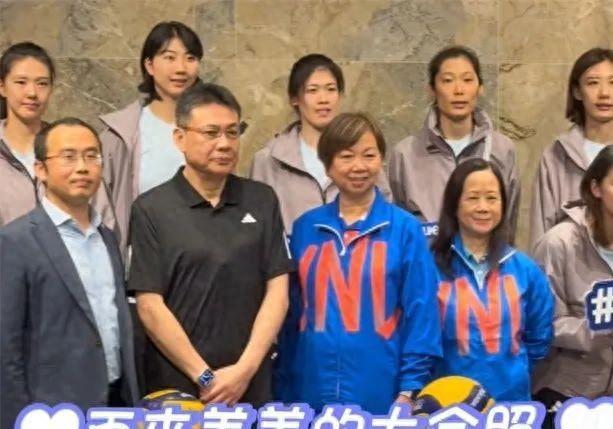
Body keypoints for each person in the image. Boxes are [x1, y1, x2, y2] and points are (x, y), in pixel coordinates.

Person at [128, 83, 293, 406]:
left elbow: (277, 291)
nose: (224, 144)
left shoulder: (261, 200)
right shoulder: (151, 208)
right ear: (180, 138)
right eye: (211, 133)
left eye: (233, 132)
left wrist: (245, 370)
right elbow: (149, 305)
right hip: (179, 385)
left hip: (250, 381)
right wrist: (206, 377)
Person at [276, 112, 441, 414]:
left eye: (369, 155)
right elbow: (291, 315)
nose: (359, 166)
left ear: (381, 160)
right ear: (328, 165)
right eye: (346, 156)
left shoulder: (405, 229)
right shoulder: (305, 229)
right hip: (310, 390)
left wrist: (410, 388)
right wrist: (285, 390)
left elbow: (422, 313)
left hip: (383, 393)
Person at [0, 118, 139, 428]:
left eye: (92, 156)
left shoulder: (107, 237)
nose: (82, 167)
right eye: (68, 157)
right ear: (40, 169)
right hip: (52, 409)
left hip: (115, 403)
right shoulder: (14, 242)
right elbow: (6, 347)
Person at [430, 158, 553, 401]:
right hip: (446, 403)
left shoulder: (525, 270)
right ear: (454, 204)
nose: (483, 207)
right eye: (473, 198)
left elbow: (539, 338)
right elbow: (417, 338)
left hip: (510, 405)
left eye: (492, 198)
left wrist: (514, 374)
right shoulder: (428, 267)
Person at [388, 45, 520, 241]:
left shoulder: (502, 148)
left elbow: (508, 222)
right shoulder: (405, 154)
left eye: (467, 80)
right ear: (432, 89)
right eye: (448, 80)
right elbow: (397, 228)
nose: (459, 90)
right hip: (425, 259)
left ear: (480, 87)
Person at [250, 54, 391, 234]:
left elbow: (386, 211)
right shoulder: (270, 158)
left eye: (331, 89)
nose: (323, 99)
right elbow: (257, 225)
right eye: (312, 90)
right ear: (294, 98)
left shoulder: (363, 154)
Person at [94, 21, 203, 253]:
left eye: (190, 58)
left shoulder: (212, 129)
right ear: (149, 65)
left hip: (204, 257)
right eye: (169, 57)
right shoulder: (121, 135)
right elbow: (100, 210)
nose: (181, 68)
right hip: (143, 259)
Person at [533, 146, 613, 429]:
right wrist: (596, 327)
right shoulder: (559, 243)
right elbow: (541, 324)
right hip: (566, 390)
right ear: (596, 188)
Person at [530, 47, 613, 248]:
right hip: (569, 266)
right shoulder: (556, 155)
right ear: (577, 91)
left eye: (612, 82)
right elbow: (542, 235)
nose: (604, 93)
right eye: (593, 83)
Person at [0, 42, 54, 226]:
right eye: (21, 82)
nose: (32, 93)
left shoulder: (67, 146)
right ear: (2, 86)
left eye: (42, 84)